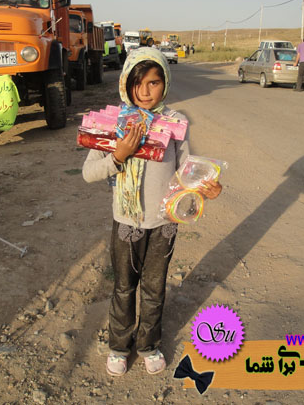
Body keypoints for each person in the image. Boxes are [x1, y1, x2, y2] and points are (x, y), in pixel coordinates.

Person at [82, 47, 222, 377]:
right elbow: (88, 173)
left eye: (154, 82)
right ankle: (119, 346)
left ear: (165, 83)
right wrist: (119, 155)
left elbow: (186, 168)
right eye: (137, 83)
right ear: (125, 84)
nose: (145, 91)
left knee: (154, 288)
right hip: (126, 223)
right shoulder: (112, 124)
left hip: (164, 223)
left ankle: (148, 345)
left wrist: (206, 185)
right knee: (123, 287)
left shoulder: (176, 123)